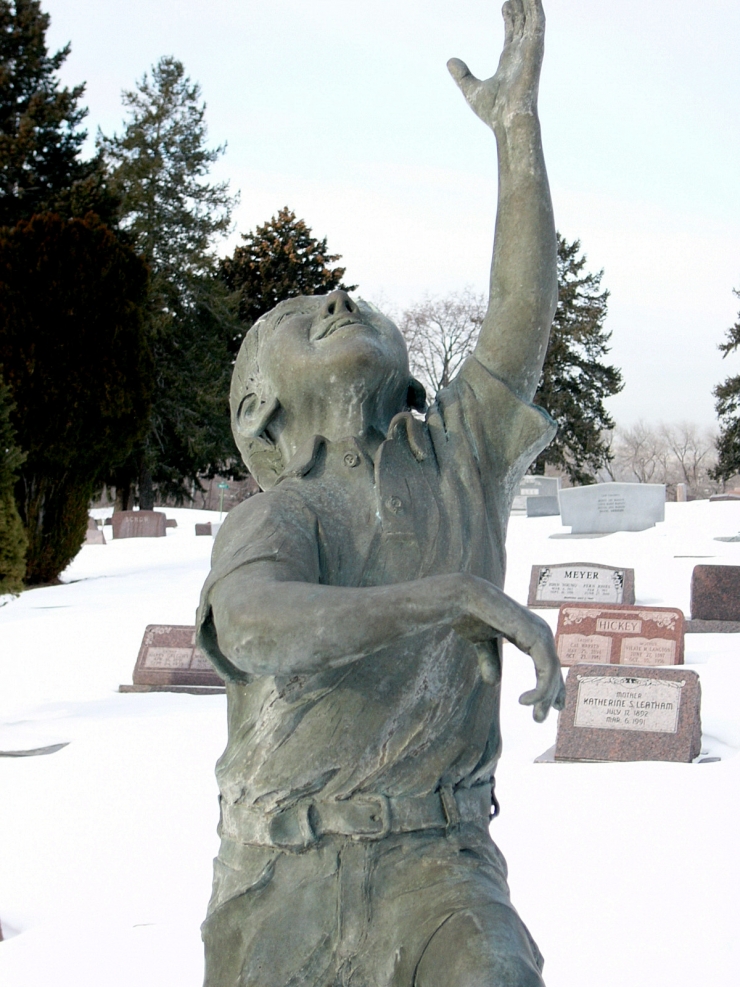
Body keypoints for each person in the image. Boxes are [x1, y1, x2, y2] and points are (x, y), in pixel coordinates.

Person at [196, 2, 565, 984]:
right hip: (282, 881)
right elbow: (256, 626)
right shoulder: (275, 518)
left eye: (354, 303)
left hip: (438, 868)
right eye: (294, 313)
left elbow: (522, 313)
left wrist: (514, 134)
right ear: (260, 406)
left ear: (406, 379)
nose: (335, 297)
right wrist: (449, 597)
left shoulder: (460, 463)